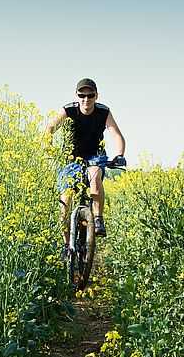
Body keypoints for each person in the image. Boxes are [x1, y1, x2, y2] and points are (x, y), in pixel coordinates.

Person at [43, 78, 126, 258]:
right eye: (82, 95)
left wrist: (119, 155)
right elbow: (50, 128)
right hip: (70, 158)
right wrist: (48, 147)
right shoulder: (69, 110)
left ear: (96, 96)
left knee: (94, 177)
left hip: (95, 156)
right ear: (77, 96)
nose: (86, 100)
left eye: (90, 96)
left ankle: (97, 219)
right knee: (66, 199)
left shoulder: (103, 112)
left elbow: (117, 135)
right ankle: (67, 246)